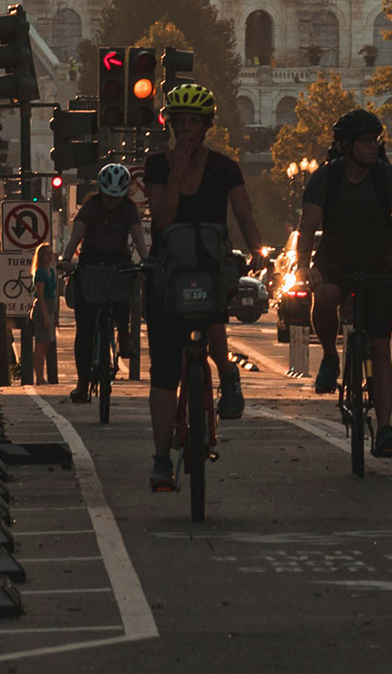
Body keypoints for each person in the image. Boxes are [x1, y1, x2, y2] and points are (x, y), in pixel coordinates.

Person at [140, 81, 266, 493]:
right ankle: (161, 458)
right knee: (164, 370)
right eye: (182, 121)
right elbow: (161, 220)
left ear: (208, 125)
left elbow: (244, 216)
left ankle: (227, 375)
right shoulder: (157, 165)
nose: (189, 129)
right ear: (171, 124)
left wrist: (258, 251)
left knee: (215, 335)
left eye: (196, 121)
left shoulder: (225, 168)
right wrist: (176, 175)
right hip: (169, 272)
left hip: (210, 269)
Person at [298, 106, 392, 460]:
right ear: (346, 146)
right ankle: (327, 356)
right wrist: (302, 267)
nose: (373, 147)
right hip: (336, 258)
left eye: (375, 141)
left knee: (381, 349)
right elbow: (307, 226)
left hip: (379, 262)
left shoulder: (389, 177)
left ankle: (385, 428)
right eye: (365, 141)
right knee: (324, 296)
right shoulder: (326, 178)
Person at [61, 162, 148, 403]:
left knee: (124, 294)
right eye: (108, 197)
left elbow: (139, 238)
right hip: (90, 264)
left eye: (117, 197)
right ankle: (82, 382)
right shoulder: (90, 208)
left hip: (118, 263)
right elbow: (76, 235)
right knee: (84, 329)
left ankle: (125, 334)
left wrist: (147, 261)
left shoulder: (130, 210)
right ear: (101, 192)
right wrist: (67, 259)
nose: (112, 202)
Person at [27, 241, 61, 384]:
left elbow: (54, 293)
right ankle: (39, 377)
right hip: (42, 309)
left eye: (51, 254)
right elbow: (40, 296)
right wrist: (46, 315)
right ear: (41, 256)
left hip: (51, 307)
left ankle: (42, 376)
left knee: (47, 343)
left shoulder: (51, 271)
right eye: (47, 254)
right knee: (40, 344)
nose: (50, 257)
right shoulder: (40, 272)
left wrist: (55, 315)